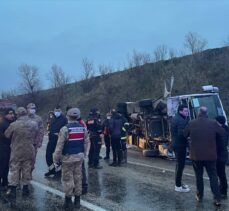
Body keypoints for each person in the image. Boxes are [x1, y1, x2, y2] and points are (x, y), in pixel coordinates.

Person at [184, 106, 224, 206]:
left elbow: (185, 134)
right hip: (210, 155)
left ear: (198, 112)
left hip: (196, 155)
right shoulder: (213, 123)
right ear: (207, 113)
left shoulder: (191, 123)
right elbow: (222, 133)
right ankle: (217, 198)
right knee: (213, 177)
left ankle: (199, 196)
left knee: (198, 176)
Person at [53, 108, 90, 209]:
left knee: (68, 179)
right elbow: (87, 142)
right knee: (78, 178)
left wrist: (56, 158)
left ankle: (68, 202)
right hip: (79, 157)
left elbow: (59, 145)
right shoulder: (83, 128)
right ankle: (77, 201)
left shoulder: (65, 129)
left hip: (68, 158)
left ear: (67, 116)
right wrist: (85, 154)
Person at [4, 107, 38, 205]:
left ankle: (13, 191)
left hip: (17, 151)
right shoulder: (34, 124)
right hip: (29, 150)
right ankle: (26, 189)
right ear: (26, 114)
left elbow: (6, 135)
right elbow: (36, 133)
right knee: (27, 169)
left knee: (15, 170)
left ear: (17, 114)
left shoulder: (13, 125)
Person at [171, 104, 190, 193]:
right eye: (185, 111)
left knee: (178, 165)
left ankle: (178, 183)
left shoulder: (175, 118)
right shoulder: (181, 120)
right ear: (180, 111)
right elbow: (181, 134)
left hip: (176, 144)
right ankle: (178, 186)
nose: (187, 112)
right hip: (180, 145)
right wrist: (189, 137)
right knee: (180, 166)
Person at [45, 106, 67, 177]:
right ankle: (52, 169)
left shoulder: (64, 119)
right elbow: (49, 127)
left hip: (59, 139)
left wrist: (60, 133)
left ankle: (58, 172)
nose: (57, 112)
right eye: (56, 110)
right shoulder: (52, 118)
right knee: (48, 155)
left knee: (58, 156)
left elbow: (66, 129)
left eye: (58, 110)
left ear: (61, 111)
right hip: (51, 139)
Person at [0, 108, 15, 190]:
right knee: (2, 164)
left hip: (9, 147)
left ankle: (5, 181)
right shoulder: (2, 123)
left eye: (13, 113)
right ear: (6, 114)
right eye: (10, 113)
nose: (12, 115)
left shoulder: (11, 123)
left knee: (6, 165)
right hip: (2, 147)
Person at [27, 103, 44, 170]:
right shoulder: (23, 118)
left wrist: (40, 141)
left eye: (34, 108)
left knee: (32, 159)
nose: (32, 110)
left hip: (34, 142)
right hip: (24, 143)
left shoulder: (38, 118)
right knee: (24, 160)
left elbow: (41, 131)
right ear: (27, 109)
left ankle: (29, 173)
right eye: (31, 108)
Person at [215, 115, 229, 199]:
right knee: (220, 173)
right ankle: (222, 190)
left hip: (220, 155)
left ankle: (223, 192)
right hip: (222, 154)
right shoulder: (225, 129)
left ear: (219, 122)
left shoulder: (222, 131)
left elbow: (221, 144)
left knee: (221, 174)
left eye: (216, 121)